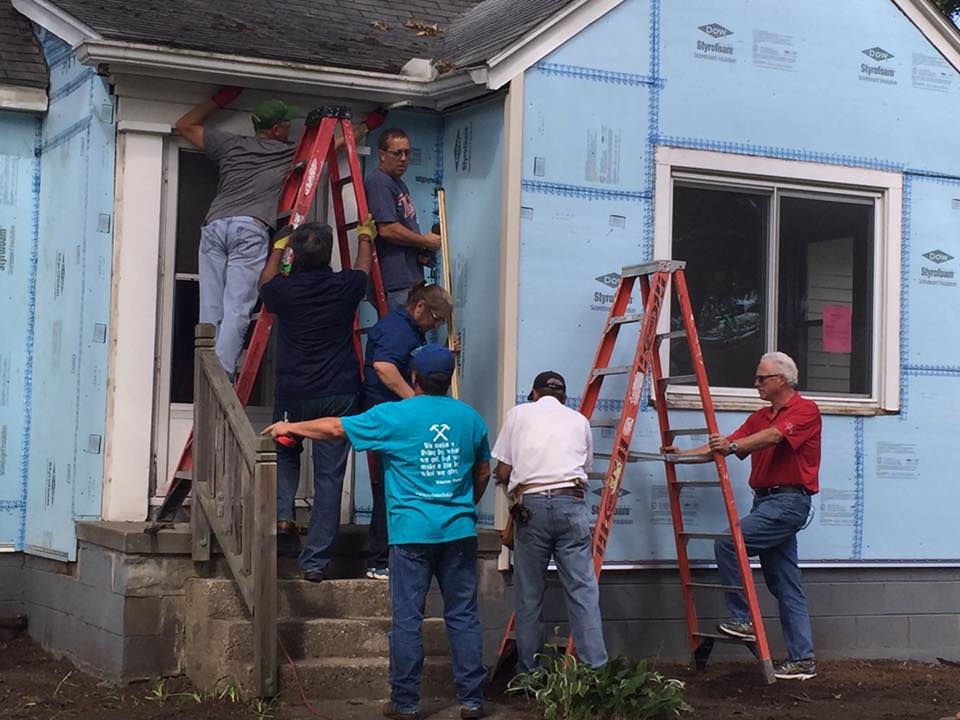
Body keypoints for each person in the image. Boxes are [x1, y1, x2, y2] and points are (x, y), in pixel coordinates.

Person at [263, 343, 489, 720]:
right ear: (448, 380)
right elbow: (481, 473)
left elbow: (336, 427)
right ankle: (472, 700)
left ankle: (404, 704)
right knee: (463, 616)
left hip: (411, 535)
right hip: (459, 533)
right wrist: (462, 505)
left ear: (413, 378)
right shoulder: (470, 419)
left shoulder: (394, 416)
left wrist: (291, 426)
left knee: (407, 620)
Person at [176, 88, 387, 376]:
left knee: (211, 307)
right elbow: (331, 148)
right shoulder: (288, 152)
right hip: (248, 229)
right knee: (237, 307)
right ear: (276, 129)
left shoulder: (230, 144)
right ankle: (219, 378)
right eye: (286, 123)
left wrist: (221, 100)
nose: (290, 128)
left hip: (214, 226)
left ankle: (204, 370)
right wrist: (364, 127)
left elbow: (184, 125)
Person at [664, 351, 820, 681]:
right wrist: (682, 457)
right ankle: (802, 660)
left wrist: (734, 447)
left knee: (730, 543)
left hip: (788, 503)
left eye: (761, 378)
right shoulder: (759, 417)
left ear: (781, 380)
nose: (756, 384)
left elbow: (774, 437)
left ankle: (742, 618)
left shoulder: (805, 410)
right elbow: (726, 446)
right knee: (786, 584)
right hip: (766, 503)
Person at [257, 217, 376, 581]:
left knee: (286, 453)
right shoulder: (345, 286)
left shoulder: (285, 291)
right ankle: (315, 564)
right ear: (327, 255)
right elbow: (363, 270)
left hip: (295, 394)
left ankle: (283, 517)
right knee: (328, 479)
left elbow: (265, 282)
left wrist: (277, 247)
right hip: (338, 394)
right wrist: (364, 237)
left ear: (296, 255)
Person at [491, 371, 608, 673]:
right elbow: (582, 467)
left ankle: (531, 675)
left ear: (533, 394)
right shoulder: (579, 421)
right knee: (583, 591)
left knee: (529, 594)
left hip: (532, 510)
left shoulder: (518, 414)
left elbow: (503, 471)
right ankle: (595, 670)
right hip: (572, 505)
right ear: (564, 398)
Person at [361, 281, 453, 581]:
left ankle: (389, 556)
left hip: (397, 416)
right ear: (420, 307)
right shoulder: (398, 329)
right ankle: (379, 559)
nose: (435, 324)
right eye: (436, 319)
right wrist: (415, 402)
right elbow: (385, 367)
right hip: (389, 417)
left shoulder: (411, 330)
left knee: (397, 485)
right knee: (387, 487)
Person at [364, 128, 442, 309]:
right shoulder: (380, 183)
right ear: (382, 155)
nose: (404, 158)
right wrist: (424, 241)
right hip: (395, 279)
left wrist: (422, 249)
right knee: (401, 333)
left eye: (407, 152)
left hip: (408, 277)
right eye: (397, 153)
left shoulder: (398, 183)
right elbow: (387, 230)